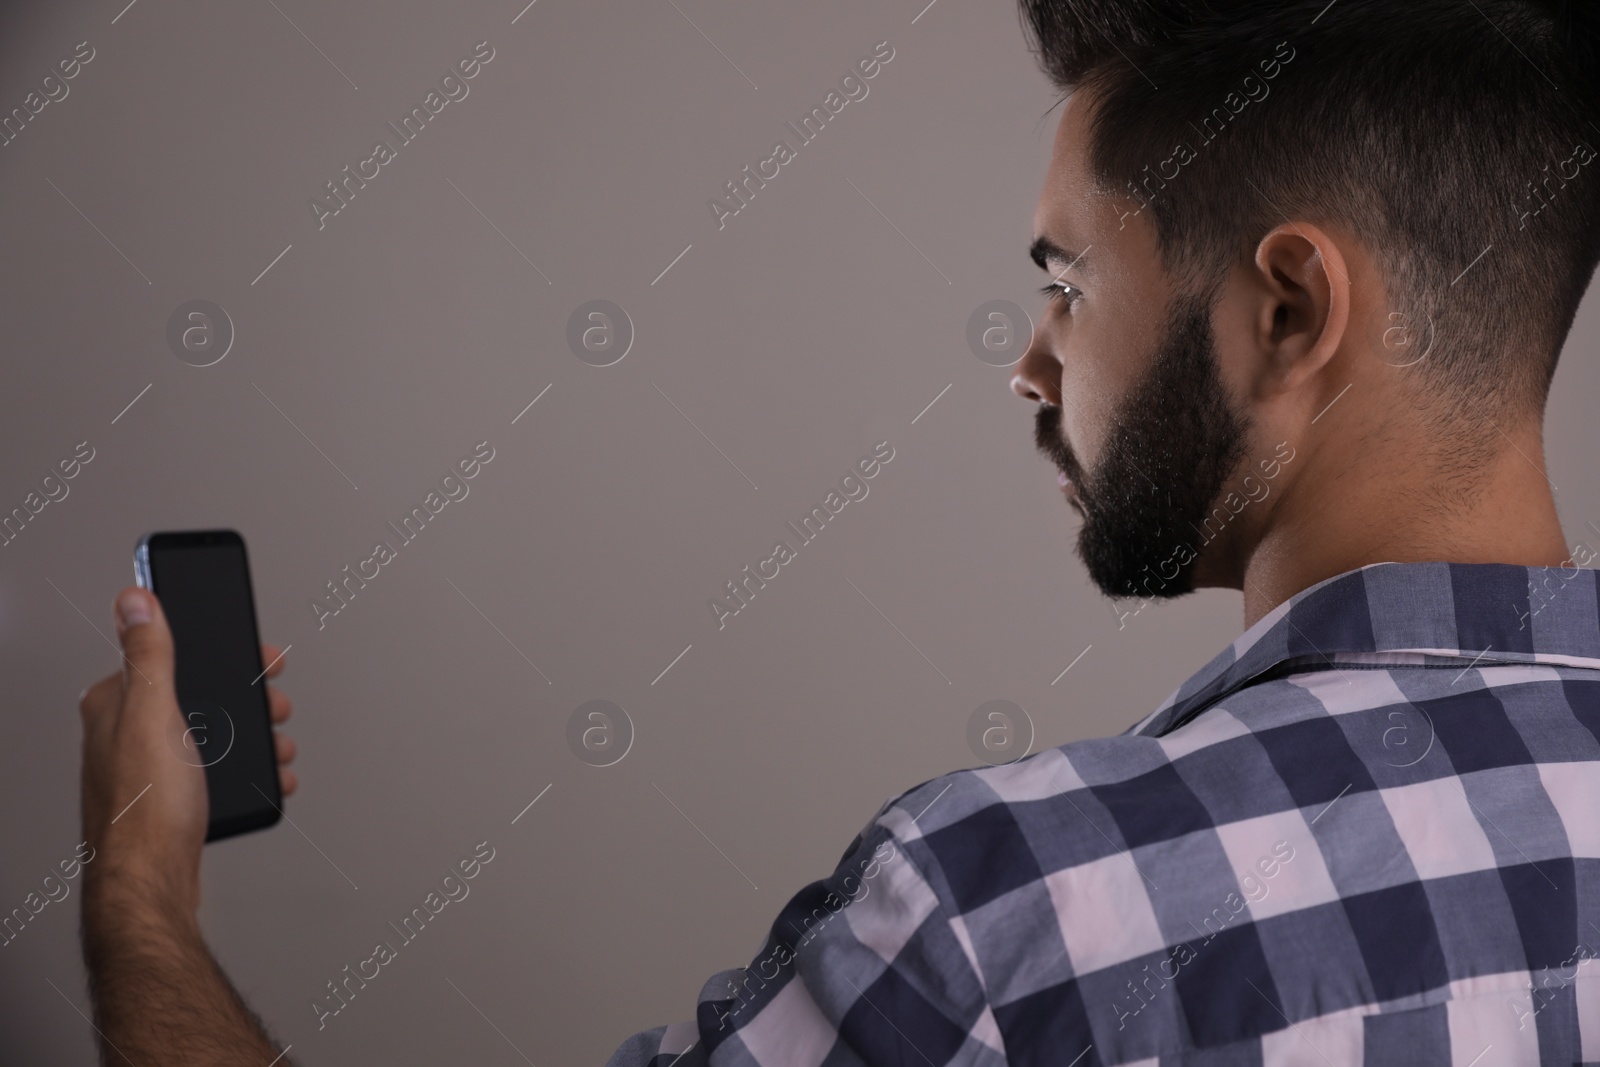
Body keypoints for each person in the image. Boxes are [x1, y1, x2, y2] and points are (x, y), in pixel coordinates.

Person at [76, 0, 1600, 1063]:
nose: (1029, 358)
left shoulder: (1015, 910)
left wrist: (136, 887)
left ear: (1288, 310)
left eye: (1067, 280)